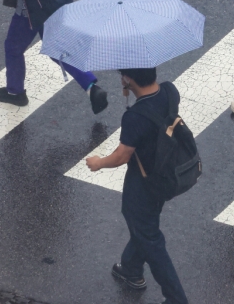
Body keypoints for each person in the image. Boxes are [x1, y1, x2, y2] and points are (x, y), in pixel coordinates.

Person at [85, 68, 188, 304]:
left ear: (128, 78)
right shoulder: (170, 91)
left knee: (149, 236)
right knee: (144, 225)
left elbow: (122, 156)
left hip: (143, 181)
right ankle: (130, 268)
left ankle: (176, 299)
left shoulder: (135, 117)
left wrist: (98, 163)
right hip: (164, 173)